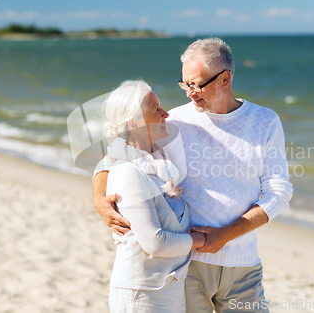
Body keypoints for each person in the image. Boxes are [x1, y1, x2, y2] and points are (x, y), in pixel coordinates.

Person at [94, 38, 293, 313]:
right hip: (188, 266)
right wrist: (98, 198)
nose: (189, 93)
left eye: (197, 84)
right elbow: (116, 152)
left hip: (244, 265)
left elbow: (279, 192)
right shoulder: (173, 121)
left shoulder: (264, 121)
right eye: (184, 83)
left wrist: (225, 235)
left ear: (225, 79)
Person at [98, 80, 206, 313]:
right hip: (142, 292)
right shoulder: (127, 171)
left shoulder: (161, 163)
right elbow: (154, 242)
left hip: (167, 287)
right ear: (133, 123)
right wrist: (202, 241)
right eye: (155, 109)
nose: (165, 114)